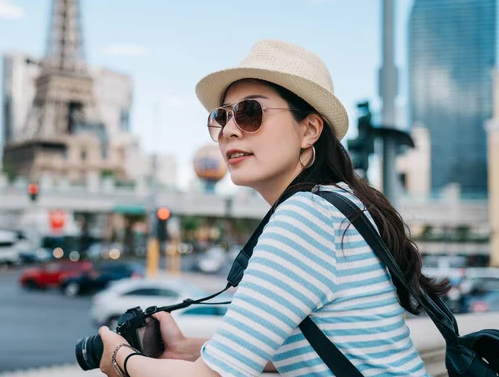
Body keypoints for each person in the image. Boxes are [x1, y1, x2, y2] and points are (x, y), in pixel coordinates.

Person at [98, 39, 449, 376]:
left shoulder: (306, 216)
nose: (229, 131)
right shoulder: (339, 203)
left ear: (309, 129)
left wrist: (118, 356)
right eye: (221, 117)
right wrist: (190, 348)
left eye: (250, 112)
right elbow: (323, 351)